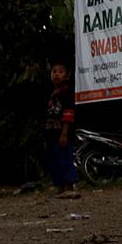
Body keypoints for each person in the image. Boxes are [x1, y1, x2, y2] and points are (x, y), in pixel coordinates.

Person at [44, 61, 79, 197]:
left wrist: (64, 134)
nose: (57, 74)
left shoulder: (67, 93)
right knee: (53, 159)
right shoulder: (51, 94)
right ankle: (59, 186)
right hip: (50, 132)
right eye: (54, 71)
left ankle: (69, 186)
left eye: (60, 72)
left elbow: (69, 113)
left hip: (63, 132)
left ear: (67, 76)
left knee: (64, 157)